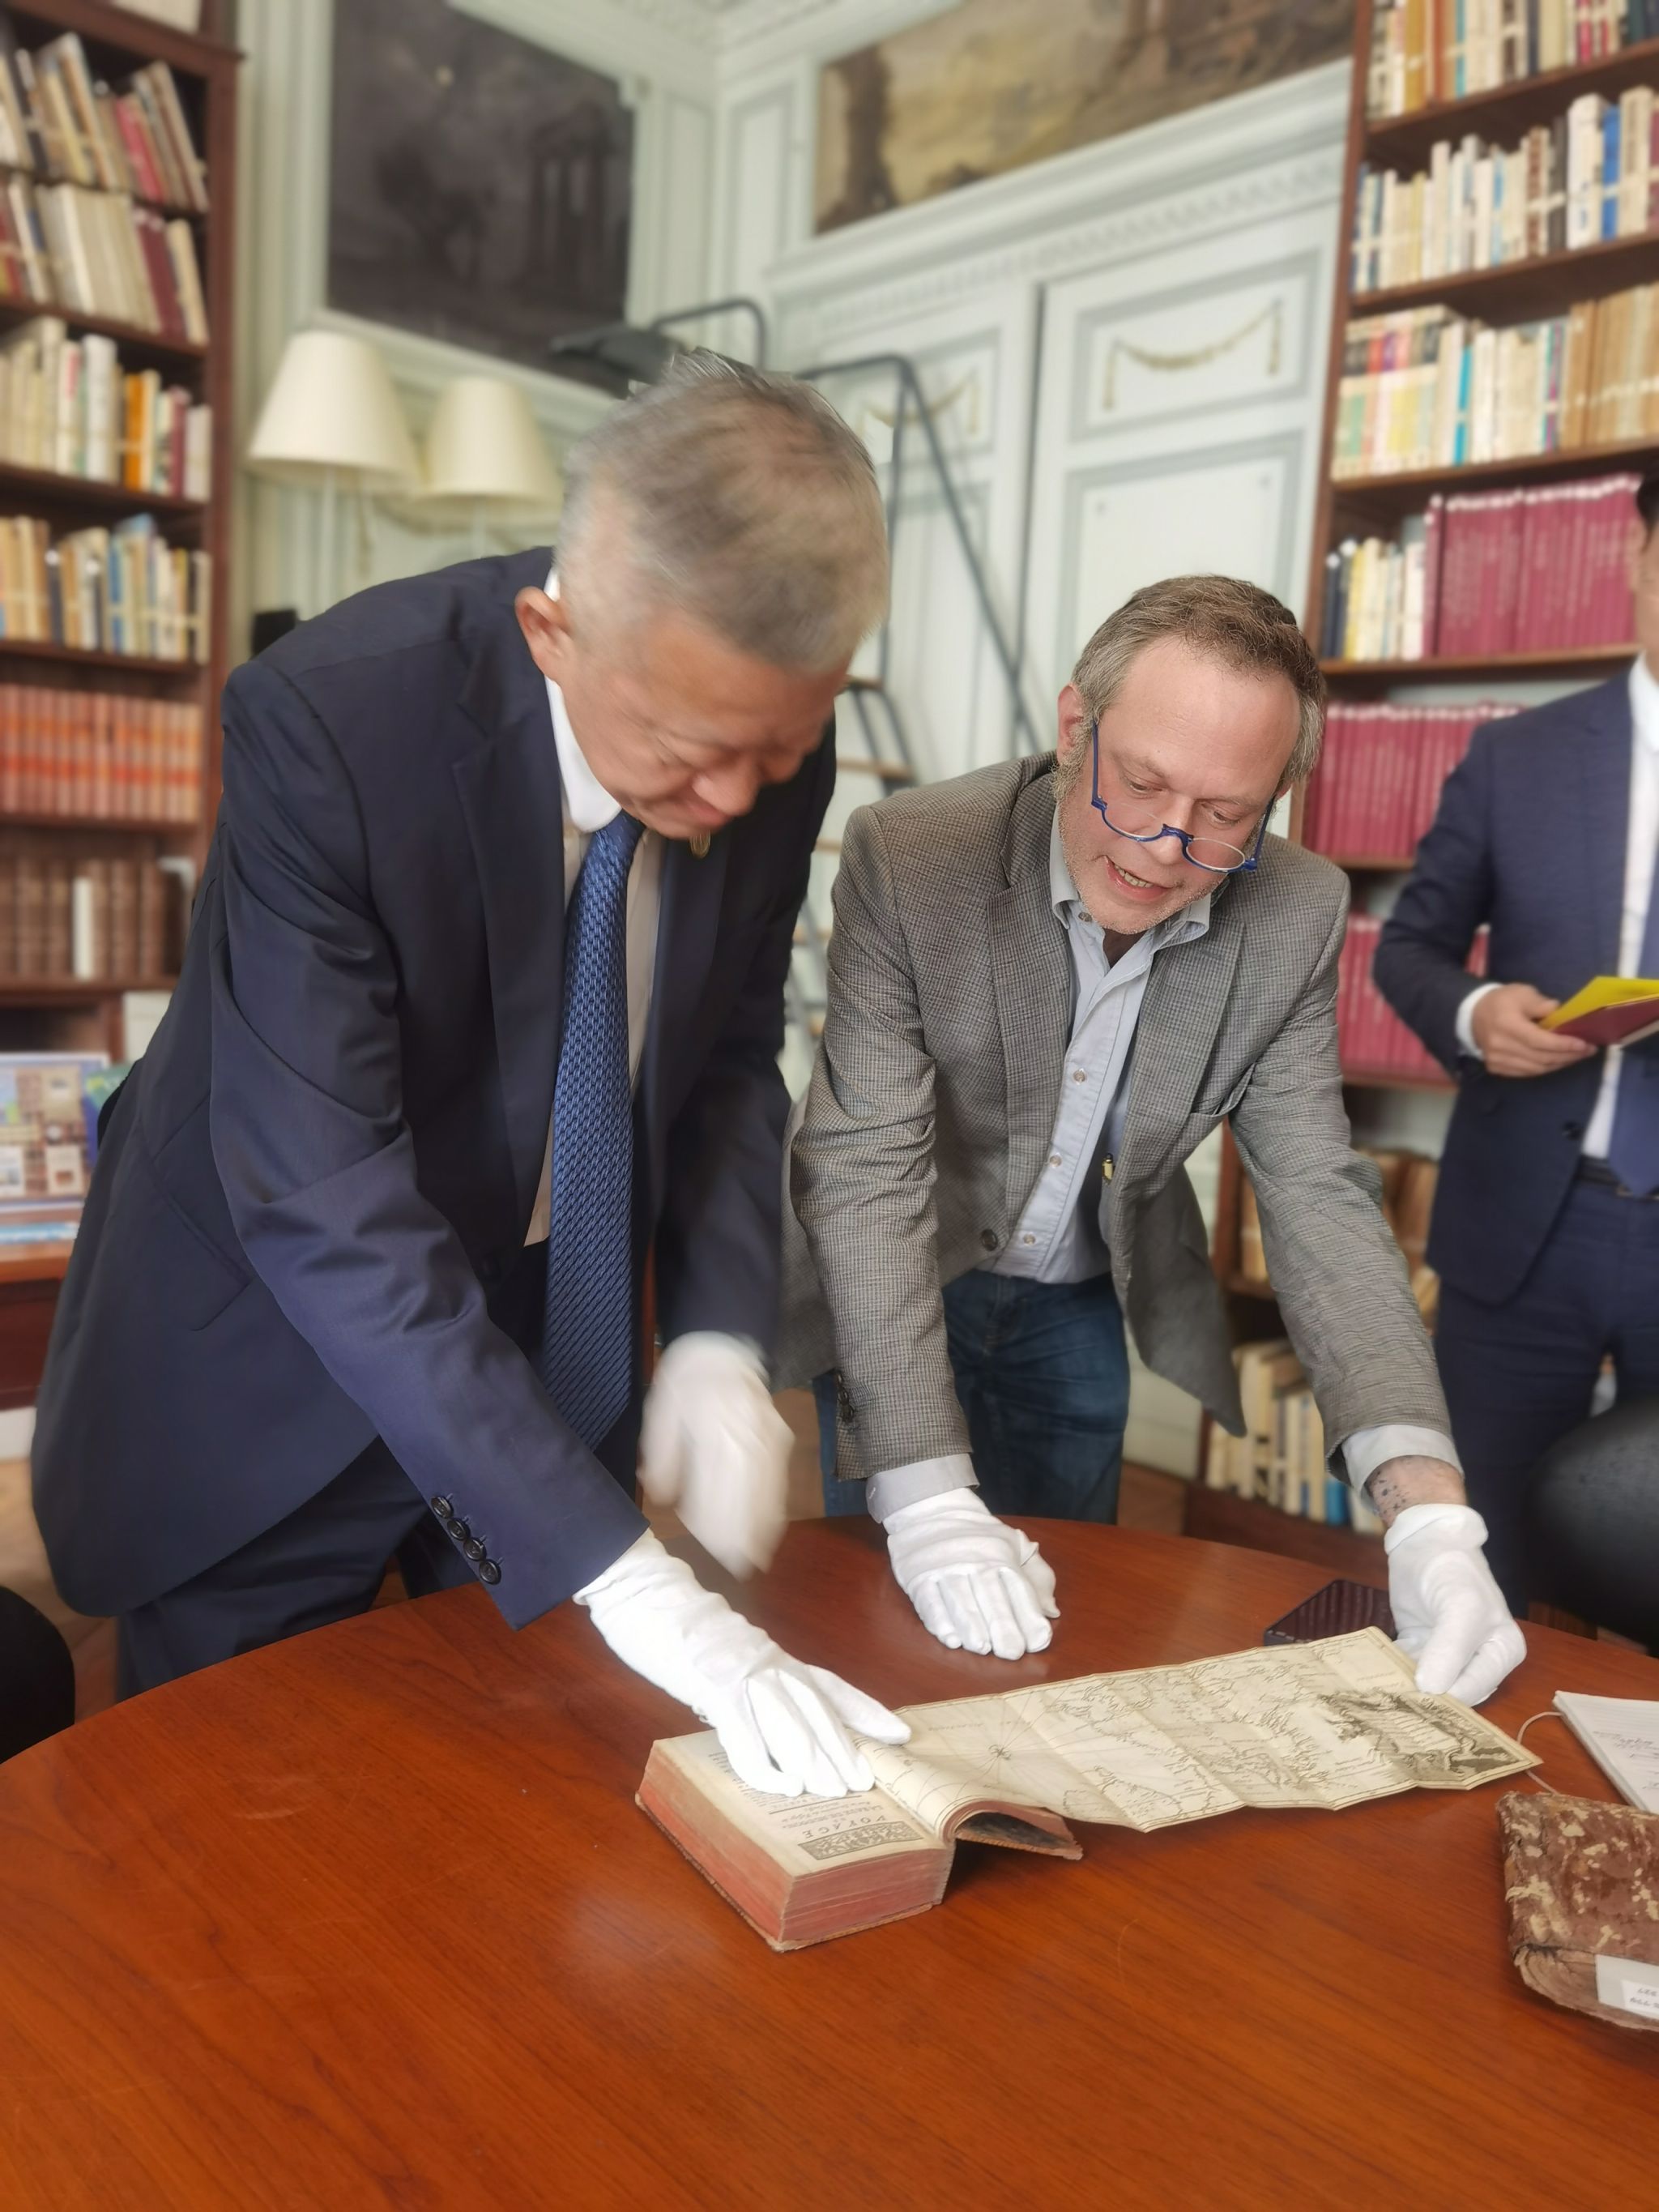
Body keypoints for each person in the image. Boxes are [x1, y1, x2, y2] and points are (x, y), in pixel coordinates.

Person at [32, 355, 908, 1799]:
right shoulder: (329, 725)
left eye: (783, 747)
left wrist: (716, 1332)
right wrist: (639, 1584)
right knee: (227, 1809)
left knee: (515, 1799)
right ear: (553, 634)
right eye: (693, 753)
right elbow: (326, 1201)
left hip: (548, 1336)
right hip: (273, 1349)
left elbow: (728, 1057)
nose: (738, 802)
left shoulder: (758, 746)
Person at [780, 574, 1525, 1705]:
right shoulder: (915, 852)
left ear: (1277, 796)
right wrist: (926, 1500)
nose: (1167, 847)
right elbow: (868, 1167)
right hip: (904, 1267)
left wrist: (1430, 1516)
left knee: (1068, 1631)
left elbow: (1317, 1193)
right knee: (894, 1613)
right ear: (1076, 728)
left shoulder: (1298, 910)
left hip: (1085, 1290)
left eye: (1226, 814)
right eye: (1139, 784)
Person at [1375, 471, 1659, 1611]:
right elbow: (1409, 948)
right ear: (1637, 553)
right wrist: (1475, 1012)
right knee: (1474, 1556)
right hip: (1523, 1226)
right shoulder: (1519, 757)